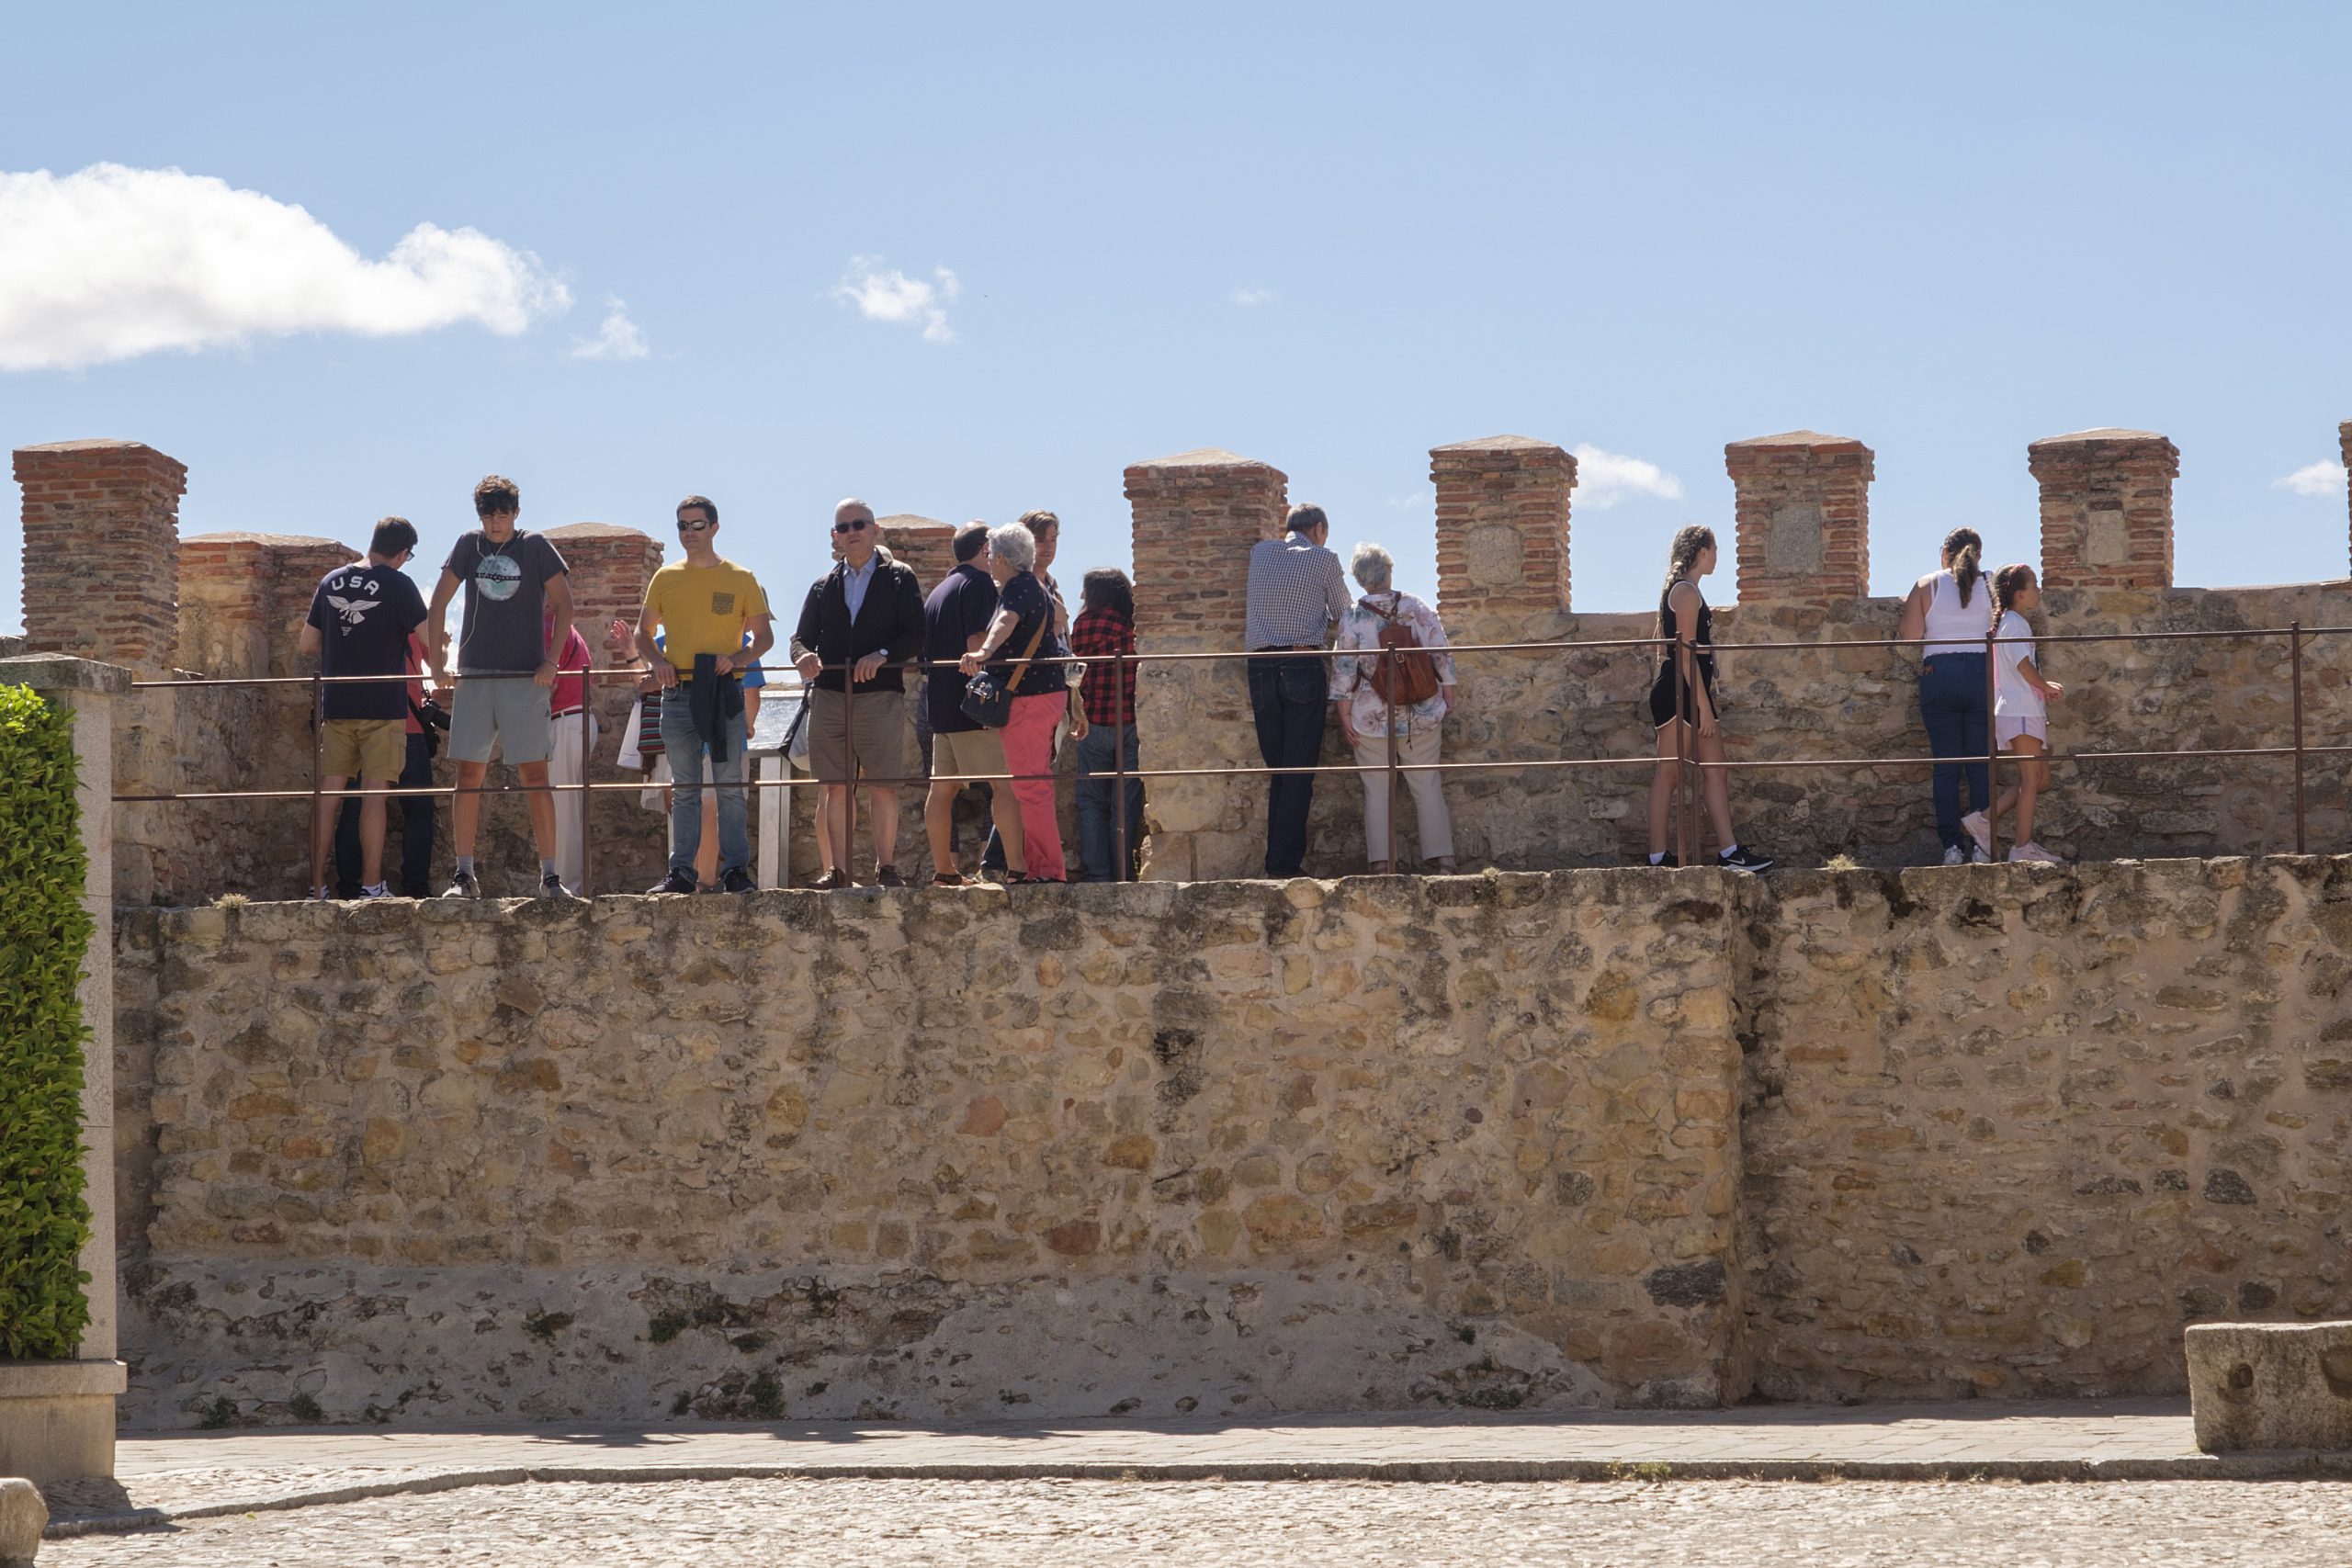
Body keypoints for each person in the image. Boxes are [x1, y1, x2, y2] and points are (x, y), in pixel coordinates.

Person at [425, 475, 577, 899]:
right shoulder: (467, 545)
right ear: (479, 515)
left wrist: (551, 660)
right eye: (488, 514)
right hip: (475, 676)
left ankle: (549, 877)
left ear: (516, 512)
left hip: (524, 678)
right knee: (468, 774)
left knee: (535, 774)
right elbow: (437, 604)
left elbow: (565, 605)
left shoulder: (534, 547)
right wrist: (437, 666)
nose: (495, 522)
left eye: (502, 513)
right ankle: (463, 875)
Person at [638, 494, 774, 894]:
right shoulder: (665, 577)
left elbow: (764, 637)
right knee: (685, 790)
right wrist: (656, 662)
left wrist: (738, 658)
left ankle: (735, 871)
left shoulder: (741, 578)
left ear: (714, 527)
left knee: (731, 787)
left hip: (725, 693)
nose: (689, 533)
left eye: (697, 525)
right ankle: (681, 873)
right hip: (678, 693)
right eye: (682, 525)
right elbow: (641, 634)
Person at [791, 498, 926, 888]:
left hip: (879, 694)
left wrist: (883, 655)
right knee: (834, 785)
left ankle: (886, 867)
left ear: (874, 529)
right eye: (844, 527)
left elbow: (915, 634)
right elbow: (800, 638)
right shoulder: (823, 586)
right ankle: (839, 870)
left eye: (859, 525)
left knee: (882, 783)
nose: (852, 533)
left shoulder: (900, 577)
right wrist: (804, 657)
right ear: (835, 536)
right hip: (830, 694)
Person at [300, 517, 429, 899]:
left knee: (328, 798)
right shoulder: (400, 583)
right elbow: (426, 637)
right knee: (375, 796)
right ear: (403, 553)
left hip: (337, 703)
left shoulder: (330, 582)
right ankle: (372, 886)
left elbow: (307, 643)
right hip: (383, 705)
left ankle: (317, 886)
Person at [1644, 525, 1773, 873]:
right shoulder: (1685, 592)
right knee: (1669, 774)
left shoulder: (1684, 591)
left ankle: (1729, 852)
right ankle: (1658, 857)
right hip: (1679, 692)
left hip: (1686, 689)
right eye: (1715, 549)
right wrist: (1702, 707)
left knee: (1716, 770)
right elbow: (1683, 656)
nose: (1718, 557)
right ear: (1702, 551)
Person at [1329, 543, 1457, 874]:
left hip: (1372, 717)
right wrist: (1449, 694)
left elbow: (1344, 668)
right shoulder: (1416, 606)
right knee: (1427, 783)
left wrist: (1344, 713)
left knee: (1376, 789)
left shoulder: (1354, 616)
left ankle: (1382, 864)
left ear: (1360, 579)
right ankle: (1441, 860)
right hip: (1422, 711)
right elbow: (1440, 651)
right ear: (1389, 571)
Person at [958, 521, 1073, 882]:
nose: (988, 560)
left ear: (1004, 558)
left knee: (1031, 787)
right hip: (1044, 695)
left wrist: (984, 651)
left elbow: (1006, 620)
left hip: (1030, 699)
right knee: (1034, 784)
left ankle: (1047, 871)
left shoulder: (1018, 588)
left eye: (991, 554)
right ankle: (1041, 868)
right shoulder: (1035, 586)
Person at [1244, 502, 1351, 877]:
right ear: (1319, 528)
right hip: (1301, 665)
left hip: (1258, 668)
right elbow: (1344, 613)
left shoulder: (1260, 553)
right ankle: (1284, 865)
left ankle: (1277, 861)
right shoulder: (1323, 558)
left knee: (1279, 770)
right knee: (1299, 770)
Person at [922, 522, 1023, 886]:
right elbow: (978, 639)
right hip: (973, 703)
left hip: (941, 704)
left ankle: (944, 872)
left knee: (941, 790)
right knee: (1005, 785)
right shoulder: (979, 583)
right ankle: (1016, 870)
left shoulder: (939, 590)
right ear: (984, 549)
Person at [1898, 527, 1993, 864]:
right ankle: (1983, 846)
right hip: (1983, 674)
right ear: (1978, 555)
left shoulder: (1928, 584)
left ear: (1944, 554)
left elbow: (1910, 638)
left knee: (1947, 767)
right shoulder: (1992, 584)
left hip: (1941, 677)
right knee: (1982, 765)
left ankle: (1951, 847)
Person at [1965, 564, 2066, 864]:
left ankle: (1983, 820)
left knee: (2039, 778)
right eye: (2034, 585)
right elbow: (2023, 665)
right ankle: (2022, 847)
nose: (2039, 590)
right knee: (2031, 779)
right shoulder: (2016, 624)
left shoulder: (2012, 622)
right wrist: (2045, 686)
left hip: (2023, 711)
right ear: (2021, 595)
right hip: (2020, 711)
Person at [333, 631, 437, 898]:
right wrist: (445, 645)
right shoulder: (413, 622)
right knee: (418, 809)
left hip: (362, 724)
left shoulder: (352, 619)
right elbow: (438, 663)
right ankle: (416, 889)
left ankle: (349, 888)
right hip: (408, 726)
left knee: (355, 806)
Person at [1069, 568, 1144, 882]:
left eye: (1085, 590)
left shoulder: (1083, 626)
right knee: (1124, 803)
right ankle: (1123, 873)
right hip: (1128, 721)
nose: (1081, 596)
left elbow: (1072, 674)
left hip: (1093, 722)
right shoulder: (1132, 626)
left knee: (1091, 802)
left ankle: (1098, 874)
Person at [546, 610, 596, 893]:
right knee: (570, 807)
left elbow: (547, 686)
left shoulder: (547, 627)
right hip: (579, 719)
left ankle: (566, 886)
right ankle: (572, 883)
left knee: (563, 809)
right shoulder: (565, 627)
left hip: (566, 719)